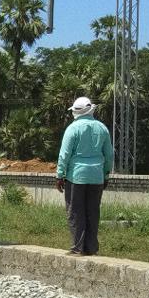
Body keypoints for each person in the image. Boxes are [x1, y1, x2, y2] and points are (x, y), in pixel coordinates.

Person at [55, 97, 114, 256]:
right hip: (97, 177)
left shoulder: (73, 129)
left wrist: (60, 175)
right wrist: (106, 174)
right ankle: (91, 248)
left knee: (75, 211)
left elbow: (64, 155)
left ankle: (77, 247)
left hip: (76, 176)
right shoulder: (102, 128)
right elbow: (109, 155)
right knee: (93, 211)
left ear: (76, 112)